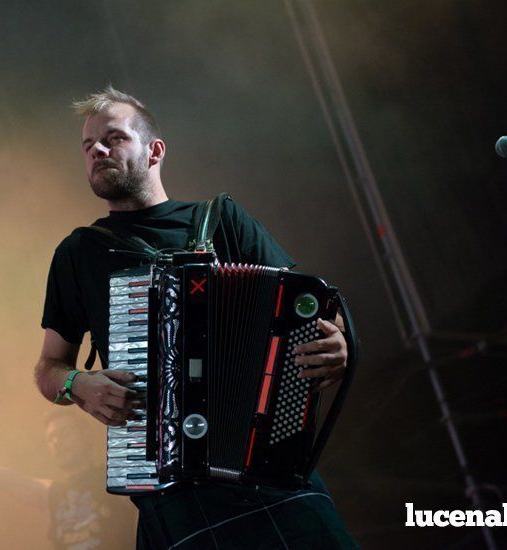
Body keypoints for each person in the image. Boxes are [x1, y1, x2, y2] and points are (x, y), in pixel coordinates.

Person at [34, 86, 358, 548]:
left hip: (268, 471)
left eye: (113, 138)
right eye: (88, 147)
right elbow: (49, 369)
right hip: (169, 490)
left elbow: (307, 309)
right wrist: (77, 385)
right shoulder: (79, 253)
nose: (98, 151)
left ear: (154, 151)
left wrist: (337, 343)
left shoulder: (220, 220)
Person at [0, 387, 136, 549]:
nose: (57, 442)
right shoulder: (53, 495)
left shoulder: (114, 479)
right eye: (51, 438)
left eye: (65, 434)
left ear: (85, 438)